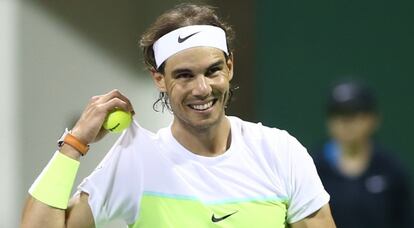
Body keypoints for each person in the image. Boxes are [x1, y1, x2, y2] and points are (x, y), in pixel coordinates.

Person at [21, 3, 336, 228]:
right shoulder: (136, 159)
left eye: (213, 71)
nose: (202, 89)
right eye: (184, 75)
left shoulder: (280, 152)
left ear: (230, 67)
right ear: (159, 78)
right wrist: (74, 143)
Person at [312, 79, 412, 228]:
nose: (345, 122)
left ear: (373, 119)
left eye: (354, 113)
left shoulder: (391, 170)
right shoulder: (312, 168)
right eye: (337, 113)